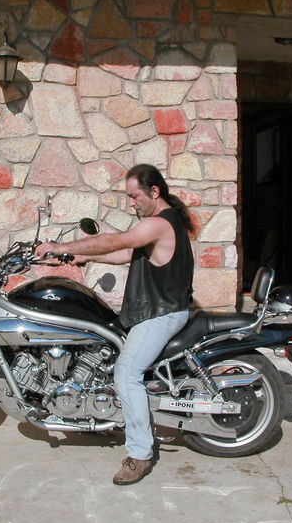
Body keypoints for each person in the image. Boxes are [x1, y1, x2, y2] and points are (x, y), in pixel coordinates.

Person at [34, 164, 194, 485]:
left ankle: (140, 454)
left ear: (154, 192)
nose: (131, 203)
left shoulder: (159, 223)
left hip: (162, 313)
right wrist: (85, 257)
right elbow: (126, 254)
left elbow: (117, 242)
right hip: (155, 310)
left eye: (134, 196)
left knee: (126, 373)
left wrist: (62, 247)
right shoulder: (164, 222)